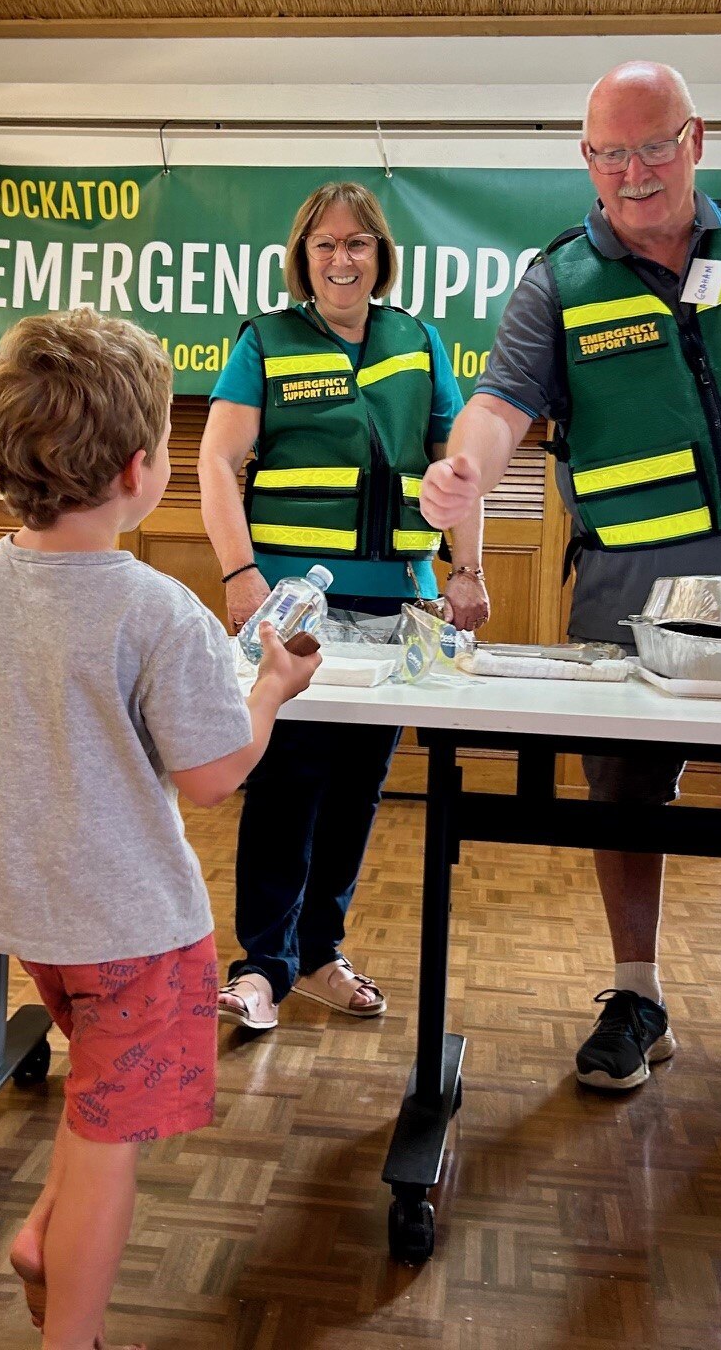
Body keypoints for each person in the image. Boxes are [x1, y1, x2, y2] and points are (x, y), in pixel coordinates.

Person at [420, 61, 721, 1114]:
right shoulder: (556, 279)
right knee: (627, 794)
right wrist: (466, 470)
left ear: (696, 139)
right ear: (586, 159)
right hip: (629, 593)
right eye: (609, 154)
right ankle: (636, 997)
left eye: (652, 145)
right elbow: (501, 406)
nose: (632, 174)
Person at [0, 307, 320, 1350]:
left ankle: (50, 1236)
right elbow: (218, 774)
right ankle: (66, 1320)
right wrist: (271, 689)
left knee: (96, 1102)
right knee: (108, 1138)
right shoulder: (161, 610)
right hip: (138, 934)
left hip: (28, 922)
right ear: (140, 470)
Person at [198, 181, 487, 1033]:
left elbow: (457, 464)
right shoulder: (265, 341)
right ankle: (260, 967)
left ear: (380, 256)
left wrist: (464, 570)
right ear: (302, 257)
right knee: (286, 784)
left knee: (359, 789)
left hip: (401, 603)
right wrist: (237, 572)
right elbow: (218, 464)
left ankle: (319, 955)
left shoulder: (418, 341)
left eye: (357, 243)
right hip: (297, 607)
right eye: (324, 244)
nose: (341, 259)